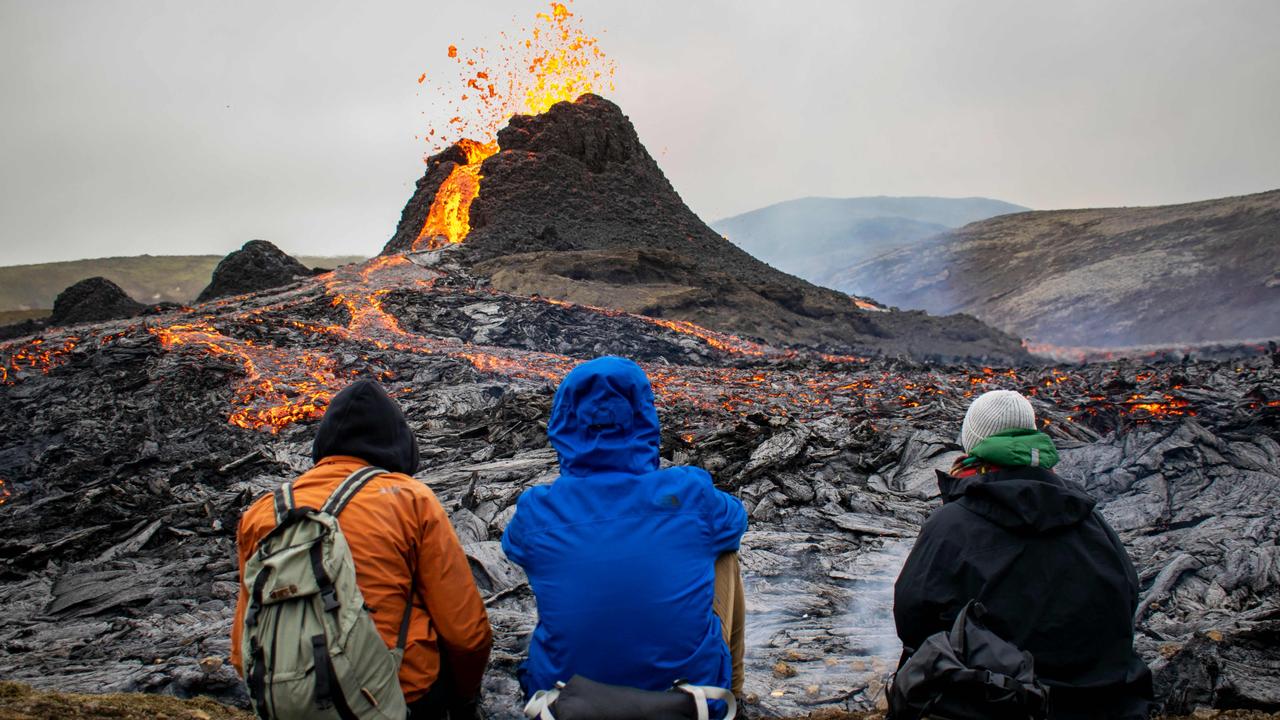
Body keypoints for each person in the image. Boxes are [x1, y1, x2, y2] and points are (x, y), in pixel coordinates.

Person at [231, 379, 492, 719]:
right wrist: (465, 701)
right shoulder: (409, 499)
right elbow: (466, 635)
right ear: (399, 443)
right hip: (399, 695)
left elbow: (242, 647)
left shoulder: (263, 511)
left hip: (289, 698)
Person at [893, 389, 1154, 719]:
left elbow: (913, 620)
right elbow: (1126, 597)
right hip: (1107, 703)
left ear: (971, 443)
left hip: (1006, 703)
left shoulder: (951, 525)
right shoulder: (1089, 517)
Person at [502, 356, 748, 702]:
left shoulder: (537, 510)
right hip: (685, 703)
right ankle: (731, 693)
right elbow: (738, 520)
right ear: (644, 417)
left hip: (564, 704)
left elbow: (513, 548)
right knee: (723, 549)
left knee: (558, 565)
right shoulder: (690, 493)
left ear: (564, 423)